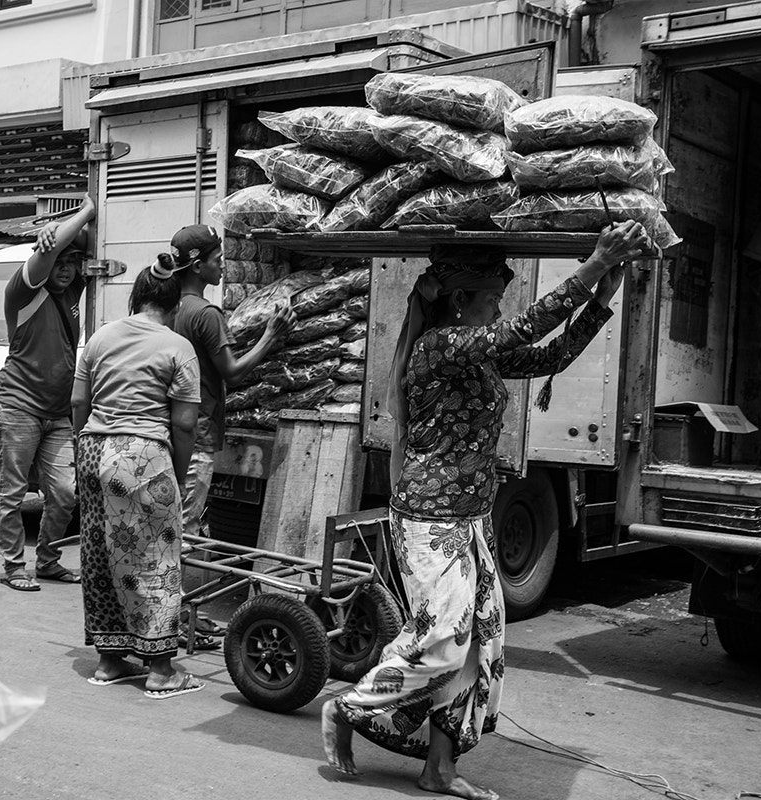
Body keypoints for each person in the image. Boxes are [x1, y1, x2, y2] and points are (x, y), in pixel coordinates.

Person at [321, 220, 652, 800]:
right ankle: (349, 708)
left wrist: (603, 295)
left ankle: (439, 769)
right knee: (443, 636)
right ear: (458, 300)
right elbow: (527, 328)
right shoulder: (441, 346)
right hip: (428, 517)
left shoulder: (478, 355)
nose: (501, 308)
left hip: (471, 517)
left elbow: (552, 350)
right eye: (493, 299)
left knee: (480, 647)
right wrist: (594, 263)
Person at [71, 264, 203, 698]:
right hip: (142, 457)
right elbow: (184, 425)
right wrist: (177, 476)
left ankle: (110, 661)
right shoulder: (178, 347)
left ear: (135, 296)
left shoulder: (100, 337)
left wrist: (83, 449)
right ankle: (162, 669)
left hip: (93, 450)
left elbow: (78, 401)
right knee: (155, 558)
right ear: (175, 302)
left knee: (99, 552)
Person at [163, 224, 295, 644]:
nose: (223, 265)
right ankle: (178, 618)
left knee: (180, 525)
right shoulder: (205, 314)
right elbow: (233, 372)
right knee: (183, 529)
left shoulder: (168, 309)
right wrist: (271, 335)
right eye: (218, 260)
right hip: (198, 431)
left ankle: (183, 612)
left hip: (172, 427)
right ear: (198, 266)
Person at [0, 195, 96, 592]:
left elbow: (86, 242)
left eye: (72, 263)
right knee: (13, 491)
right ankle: (15, 566)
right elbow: (47, 256)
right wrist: (84, 210)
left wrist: (58, 229)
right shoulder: (24, 289)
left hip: (57, 412)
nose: (66, 270)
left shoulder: (72, 292)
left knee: (66, 493)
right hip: (18, 405)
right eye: (59, 262)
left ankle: (48, 560)